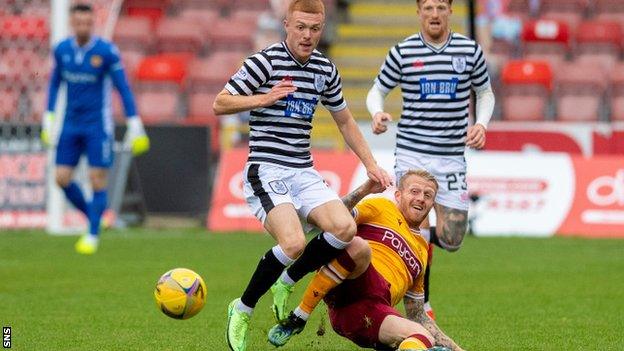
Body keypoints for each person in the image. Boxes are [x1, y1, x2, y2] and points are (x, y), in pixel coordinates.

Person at [212, 1, 391, 350]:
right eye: (301, 27)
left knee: (344, 228)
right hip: (266, 166)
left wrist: (370, 163)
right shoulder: (265, 62)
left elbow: (345, 121)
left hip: (302, 169)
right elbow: (220, 102)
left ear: (322, 27)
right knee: (293, 243)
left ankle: (287, 280)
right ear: (287, 25)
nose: (308, 35)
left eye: (315, 28)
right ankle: (243, 308)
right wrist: (263, 99)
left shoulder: (325, 69)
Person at [365, 0, 495, 316]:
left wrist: (481, 123)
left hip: (451, 156)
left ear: (450, 10)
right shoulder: (403, 52)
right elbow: (377, 90)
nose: (434, 14)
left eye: (440, 7)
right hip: (412, 152)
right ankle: (420, 303)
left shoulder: (469, 51)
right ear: (419, 11)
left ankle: (388, 232)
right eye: (428, 8)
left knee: (452, 238)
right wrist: (377, 112)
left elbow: (485, 92)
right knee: (416, 226)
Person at [268, 170, 465, 351]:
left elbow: (418, 314)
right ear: (398, 195)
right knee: (359, 247)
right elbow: (333, 220)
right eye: (414, 191)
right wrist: (363, 190)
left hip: (370, 312)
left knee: (423, 337)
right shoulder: (381, 207)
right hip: (351, 280)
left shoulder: (422, 251)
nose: (421, 199)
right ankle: (299, 316)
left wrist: (457, 350)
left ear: (432, 204)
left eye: (428, 195)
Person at [42, 3, 149, 254]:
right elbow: (55, 84)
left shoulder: (106, 51)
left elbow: (122, 88)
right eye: (78, 23)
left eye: (87, 23)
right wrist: (48, 117)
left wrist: (135, 123)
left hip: (98, 126)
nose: (83, 27)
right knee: (61, 178)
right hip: (70, 124)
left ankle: (92, 234)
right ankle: (95, 217)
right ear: (72, 23)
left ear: (93, 24)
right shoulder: (62, 50)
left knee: (96, 180)